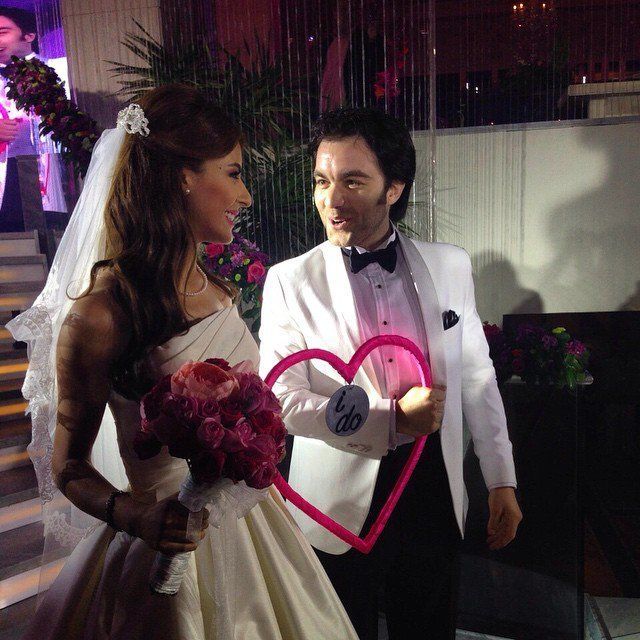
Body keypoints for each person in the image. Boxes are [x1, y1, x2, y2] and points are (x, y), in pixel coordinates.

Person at [7, 84, 357, 640]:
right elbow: (67, 467)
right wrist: (136, 515)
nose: (246, 196)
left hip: (257, 529)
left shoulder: (217, 289)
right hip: (164, 542)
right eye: (234, 173)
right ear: (182, 177)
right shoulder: (100, 315)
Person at [258, 107, 523, 640]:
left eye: (353, 182)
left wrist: (501, 479)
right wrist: (390, 418)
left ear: (394, 188)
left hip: (432, 488)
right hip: (334, 503)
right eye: (322, 181)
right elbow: (281, 400)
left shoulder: (450, 265)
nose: (331, 200)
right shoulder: (289, 281)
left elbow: (477, 377)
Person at [0, 6, 66, 245]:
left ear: (28, 35)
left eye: (2, 32)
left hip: (46, 169)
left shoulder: (59, 70)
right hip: (5, 174)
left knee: (50, 240)